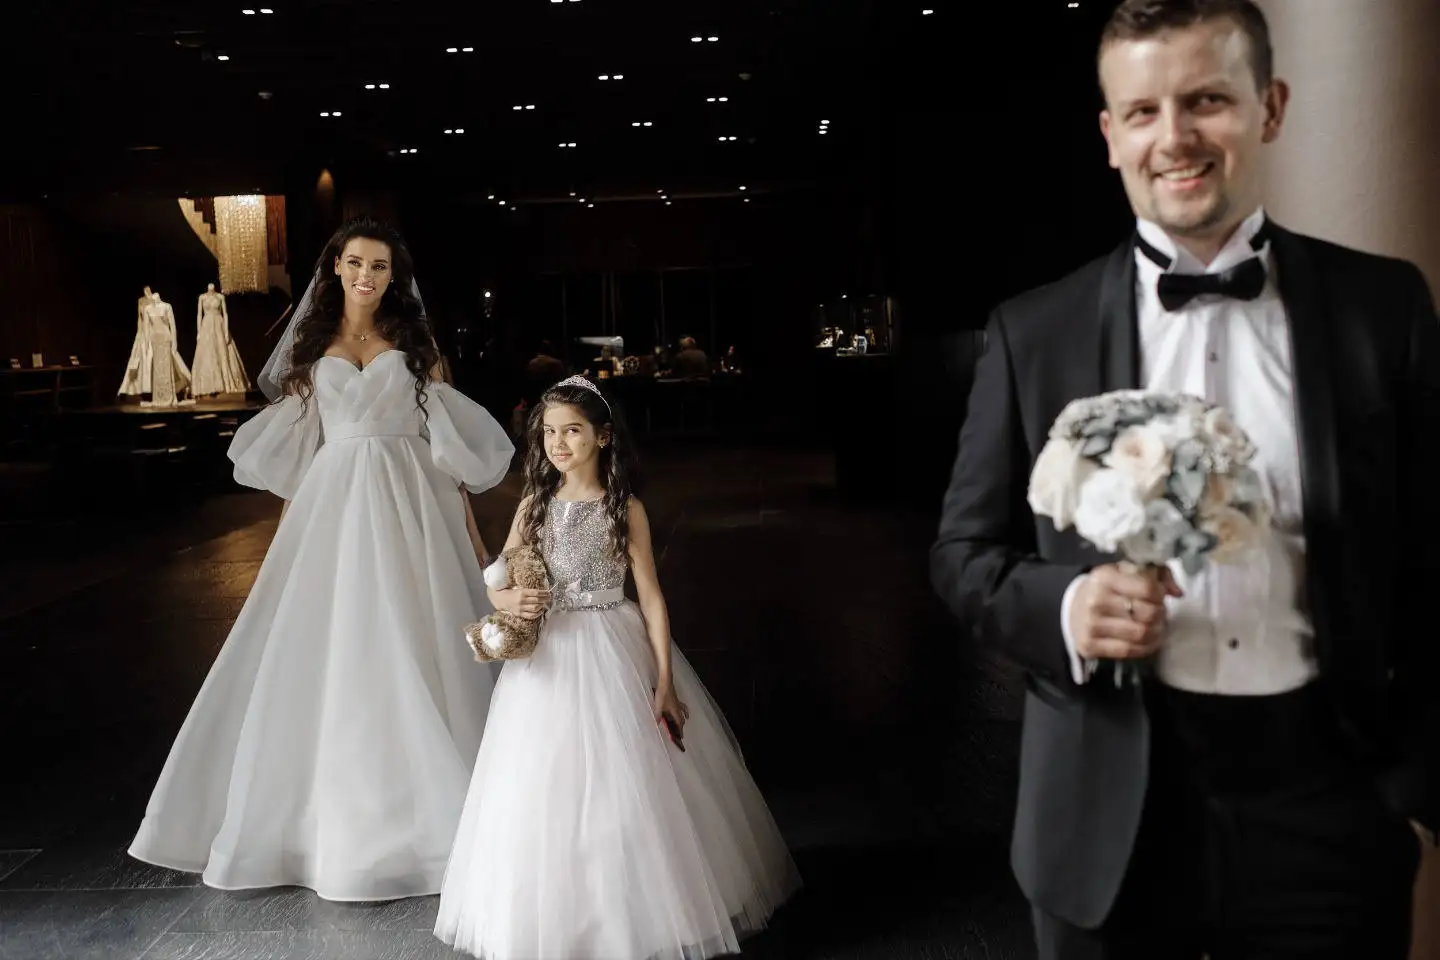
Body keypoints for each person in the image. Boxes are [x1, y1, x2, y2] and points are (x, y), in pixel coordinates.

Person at [929, 1, 1439, 957]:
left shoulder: (1384, 308)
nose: (1175, 138)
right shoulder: (1032, 333)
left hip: (1327, 800)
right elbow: (961, 556)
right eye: (1144, 111)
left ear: (1270, 107)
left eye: (1207, 100)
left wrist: (1406, 783)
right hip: (1106, 813)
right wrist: (1067, 607)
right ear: (1109, 134)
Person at [128, 215, 516, 902]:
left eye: (380, 267)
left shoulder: (416, 348)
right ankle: (324, 822)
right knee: (337, 645)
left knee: (414, 638)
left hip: (411, 507)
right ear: (335, 267)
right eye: (356, 263)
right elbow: (303, 458)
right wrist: (288, 542)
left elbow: (445, 454)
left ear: (394, 278)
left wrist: (475, 540)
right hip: (333, 509)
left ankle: (438, 807)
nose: (367, 275)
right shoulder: (310, 352)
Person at [434, 375, 800, 960]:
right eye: (549, 433)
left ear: (603, 436)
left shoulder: (623, 508)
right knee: (542, 780)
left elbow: (650, 596)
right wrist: (509, 600)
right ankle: (561, 914)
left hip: (610, 642)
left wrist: (665, 682)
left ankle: (635, 909)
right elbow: (498, 579)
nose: (558, 444)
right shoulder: (533, 505)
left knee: (625, 780)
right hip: (547, 660)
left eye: (572, 431)